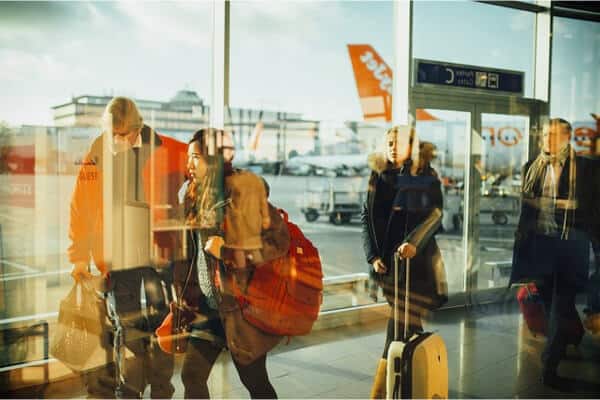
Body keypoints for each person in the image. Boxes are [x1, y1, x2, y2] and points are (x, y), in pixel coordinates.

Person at [68, 96, 187, 397]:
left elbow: (204, 168)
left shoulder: (167, 148)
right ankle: (130, 389)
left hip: (158, 256)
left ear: (137, 128)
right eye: (111, 133)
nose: (115, 140)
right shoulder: (96, 153)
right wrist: (78, 257)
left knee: (163, 325)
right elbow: (80, 206)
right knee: (127, 327)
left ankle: (161, 389)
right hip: (118, 257)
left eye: (122, 134)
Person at [178, 128, 278, 399]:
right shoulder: (193, 194)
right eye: (189, 157)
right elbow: (192, 253)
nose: (189, 163)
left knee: (256, 384)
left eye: (196, 157)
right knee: (192, 376)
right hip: (209, 309)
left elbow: (274, 246)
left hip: (239, 310)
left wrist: (227, 250)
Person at [510, 118, 600, 390]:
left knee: (560, 308)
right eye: (545, 134)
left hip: (571, 246)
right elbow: (527, 212)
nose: (547, 139)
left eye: (554, 134)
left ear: (567, 137)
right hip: (541, 247)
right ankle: (570, 335)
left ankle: (548, 368)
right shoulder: (532, 167)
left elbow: (594, 209)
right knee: (550, 306)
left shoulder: (585, 168)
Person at [361, 126, 445, 399]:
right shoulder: (378, 175)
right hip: (386, 266)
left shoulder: (426, 176)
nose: (393, 147)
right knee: (407, 325)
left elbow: (435, 215)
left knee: (399, 324)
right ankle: (417, 379)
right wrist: (372, 255)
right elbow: (367, 217)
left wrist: (414, 243)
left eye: (398, 143)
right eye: (389, 142)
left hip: (415, 266)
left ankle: (382, 393)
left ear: (412, 146)